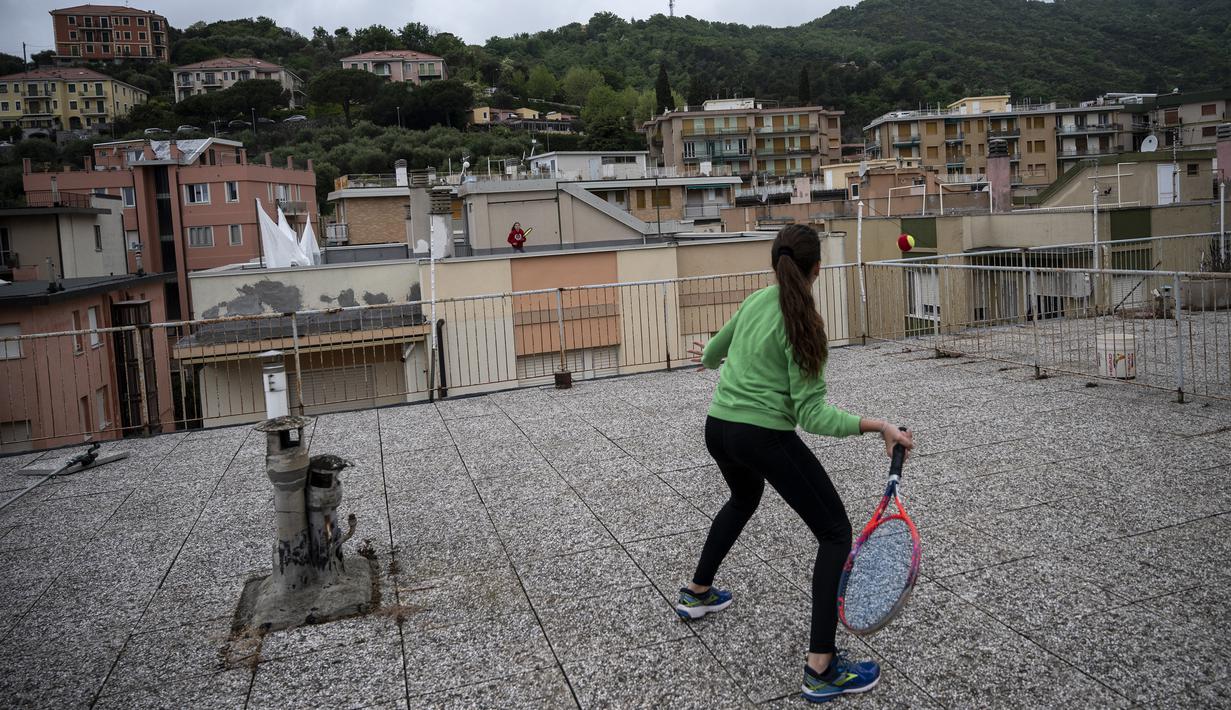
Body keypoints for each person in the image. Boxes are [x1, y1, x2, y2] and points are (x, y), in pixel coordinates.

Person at [677, 223, 913, 704]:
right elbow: (811, 415)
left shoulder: (754, 302)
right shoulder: (805, 322)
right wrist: (878, 426)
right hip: (762, 435)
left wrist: (713, 355)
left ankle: (697, 591)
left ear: (775, 263)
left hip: (718, 428)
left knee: (744, 497)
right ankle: (820, 668)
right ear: (817, 270)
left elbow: (713, 356)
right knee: (834, 534)